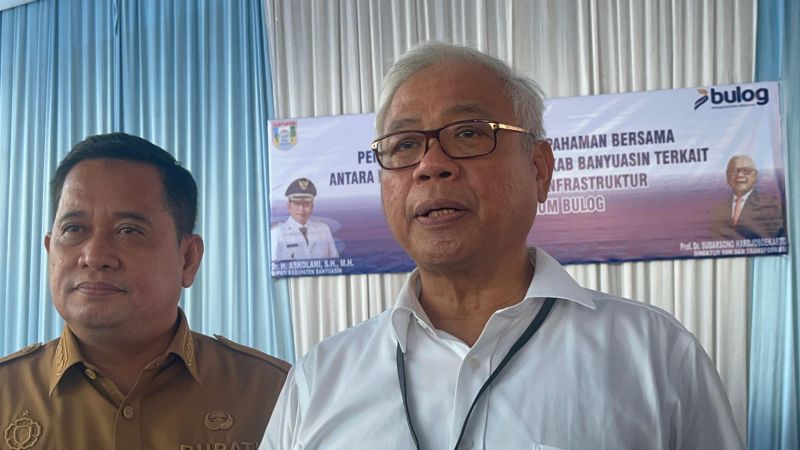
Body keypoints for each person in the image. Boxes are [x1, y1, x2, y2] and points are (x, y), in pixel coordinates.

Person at [261, 43, 744, 449]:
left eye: (469, 134)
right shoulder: (318, 381)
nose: (430, 165)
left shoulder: (655, 357)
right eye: (404, 144)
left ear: (539, 169)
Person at [0, 133, 290, 449]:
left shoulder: (274, 394)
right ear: (49, 250)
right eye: (73, 229)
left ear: (188, 259)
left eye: (129, 230)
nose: (94, 256)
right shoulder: (6, 393)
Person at [712, 154, 785, 240]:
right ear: (727, 176)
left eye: (746, 171)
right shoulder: (718, 208)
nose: (740, 175)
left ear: (755, 175)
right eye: (735, 171)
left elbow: (777, 237)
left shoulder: (769, 204)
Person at [271, 177, 339, 260]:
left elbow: (336, 262)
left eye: (306, 204)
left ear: (312, 206)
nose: (302, 209)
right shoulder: (277, 233)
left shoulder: (323, 230)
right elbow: (273, 266)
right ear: (289, 206)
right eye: (297, 203)